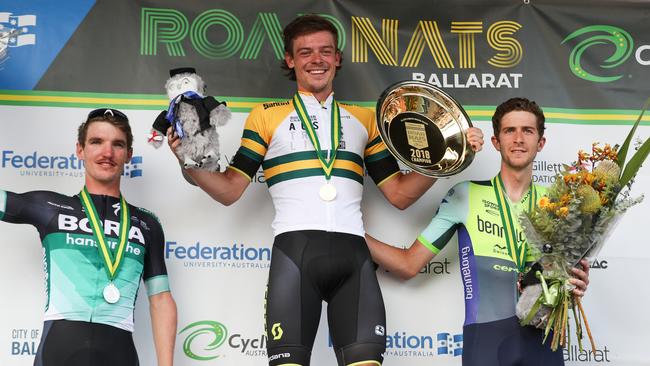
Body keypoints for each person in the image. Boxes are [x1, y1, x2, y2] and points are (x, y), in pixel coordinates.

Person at [166, 14, 483, 366]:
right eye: (305, 52)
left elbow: (399, 195)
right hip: (294, 256)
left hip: (355, 260)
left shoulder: (364, 119)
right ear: (290, 60)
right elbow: (229, 190)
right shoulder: (266, 116)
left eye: (325, 51)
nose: (316, 60)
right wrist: (188, 159)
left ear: (337, 58)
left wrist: (445, 159)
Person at [366, 97, 590, 366]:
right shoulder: (465, 195)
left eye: (527, 131)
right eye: (510, 130)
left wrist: (576, 280)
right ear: (496, 142)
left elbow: (568, 277)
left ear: (540, 143)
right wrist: (350, 232)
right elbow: (408, 264)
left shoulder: (559, 204)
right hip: (485, 343)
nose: (518, 139)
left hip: (544, 343)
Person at [0, 108, 177, 366]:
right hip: (58, 351)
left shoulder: (147, 224)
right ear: (80, 150)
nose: (107, 153)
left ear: (128, 155)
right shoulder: (49, 207)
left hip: (119, 353)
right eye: (96, 142)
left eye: (117, 144)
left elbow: (161, 300)